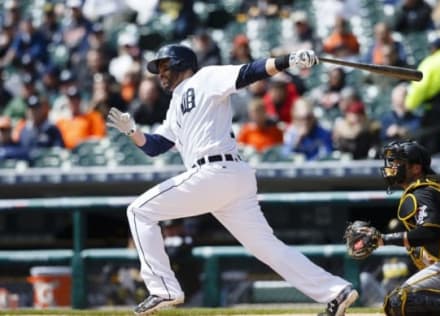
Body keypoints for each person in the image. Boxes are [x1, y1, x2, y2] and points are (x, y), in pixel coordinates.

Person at [107, 44, 358, 316]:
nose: (161, 73)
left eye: (165, 66)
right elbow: (155, 146)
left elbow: (249, 73)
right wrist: (132, 131)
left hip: (214, 172)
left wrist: (290, 60)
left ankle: (163, 288)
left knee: (139, 211)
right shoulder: (176, 103)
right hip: (229, 178)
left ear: (182, 64)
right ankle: (336, 291)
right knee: (267, 247)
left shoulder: (205, 77)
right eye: (159, 69)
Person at [373, 140, 440, 315]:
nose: (392, 167)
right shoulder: (437, 188)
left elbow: (429, 232)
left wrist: (383, 240)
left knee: (398, 300)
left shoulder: (421, 191)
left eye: (399, 163)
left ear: (416, 168)